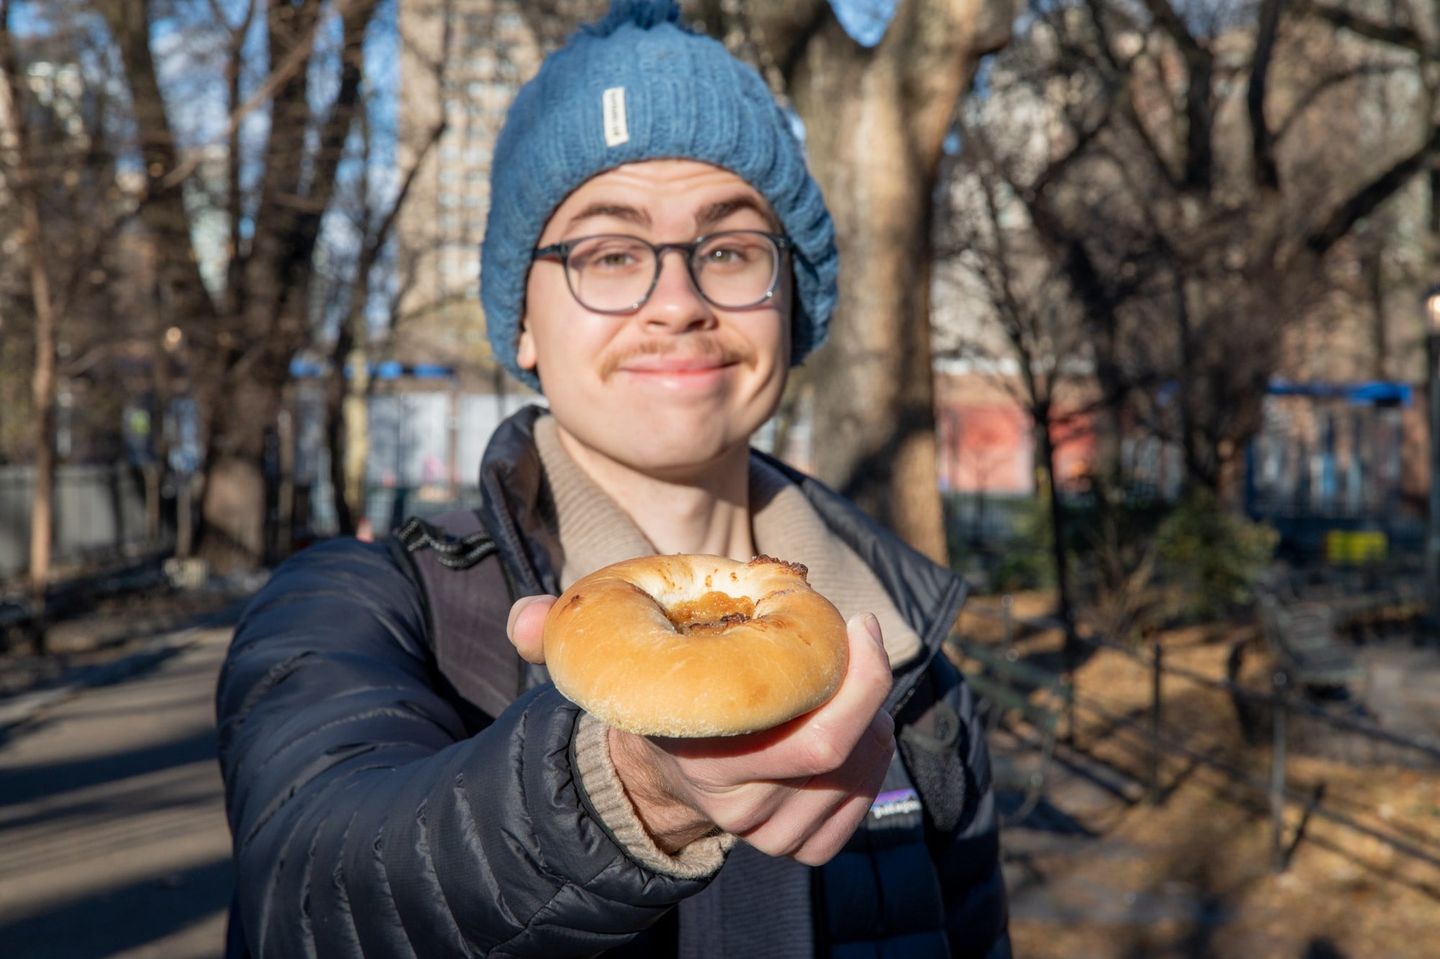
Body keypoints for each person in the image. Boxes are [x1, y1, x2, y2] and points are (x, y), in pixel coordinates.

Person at [215, 1, 1012, 956]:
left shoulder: (913, 662)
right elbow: (310, 890)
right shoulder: (367, 606)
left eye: (727, 250)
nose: (675, 303)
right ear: (520, 322)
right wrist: (614, 790)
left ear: (790, 305)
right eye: (609, 253)